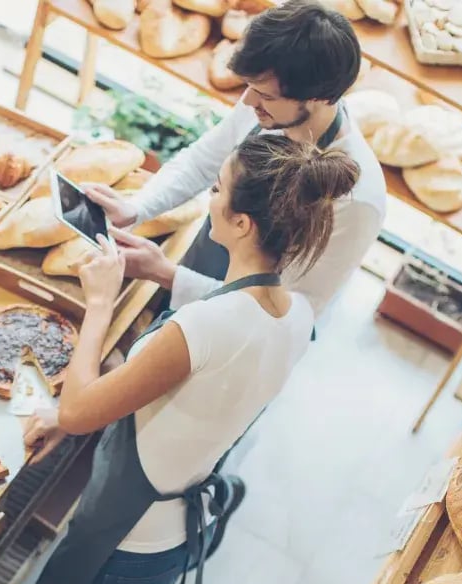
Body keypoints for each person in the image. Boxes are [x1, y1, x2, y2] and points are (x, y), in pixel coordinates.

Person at [0, 134, 361, 584]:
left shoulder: (203, 328)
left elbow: (78, 410)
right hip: (181, 525)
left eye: (216, 189)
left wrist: (102, 301)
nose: (210, 197)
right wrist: (164, 272)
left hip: (123, 533)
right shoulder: (297, 315)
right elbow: (222, 344)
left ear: (241, 222)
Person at [86, 0, 386, 546]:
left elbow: (290, 314)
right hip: (199, 278)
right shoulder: (268, 105)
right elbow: (205, 160)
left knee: (159, 470)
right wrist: (139, 207)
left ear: (320, 97)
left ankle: (150, 544)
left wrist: (169, 276)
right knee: (130, 413)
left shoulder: (356, 201)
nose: (248, 104)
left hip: (237, 345)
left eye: (264, 95)